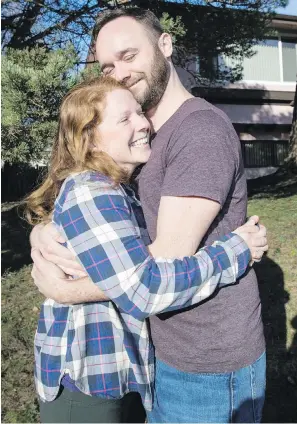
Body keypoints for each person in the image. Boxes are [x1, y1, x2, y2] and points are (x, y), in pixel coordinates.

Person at [30, 8, 268, 423]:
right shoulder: (140, 140)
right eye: (107, 65)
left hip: (207, 360)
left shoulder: (198, 131)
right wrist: (48, 231)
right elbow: (109, 212)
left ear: (165, 45)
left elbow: (156, 267)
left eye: (128, 55)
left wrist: (66, 289)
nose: (118, 72)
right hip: (164, 349)